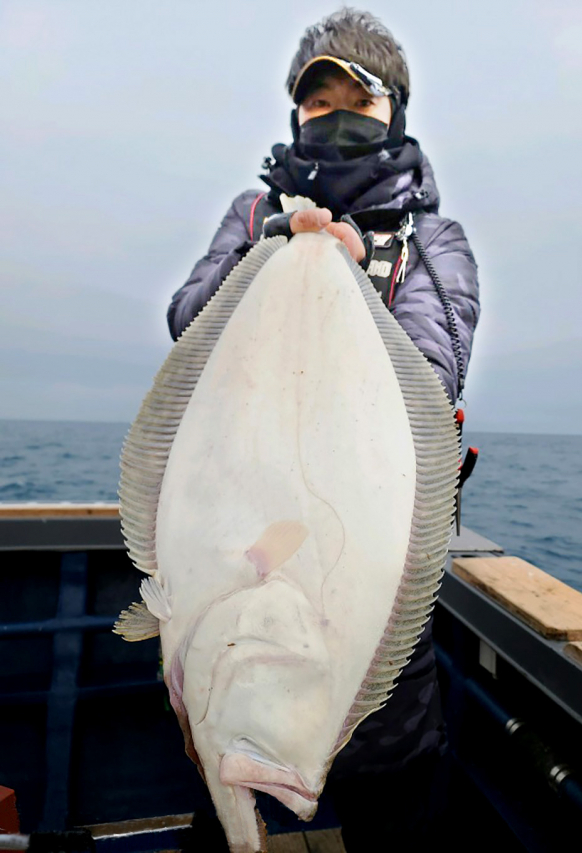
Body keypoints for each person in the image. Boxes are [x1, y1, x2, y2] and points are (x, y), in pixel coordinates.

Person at [170, 8, 480, 851]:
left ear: (395, 112)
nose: (335, 114)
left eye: (359, 99)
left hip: (370, 582)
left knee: (397, 794)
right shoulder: (250, 216)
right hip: (244, 561)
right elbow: (185, 322)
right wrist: (270, 260)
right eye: (318, 101)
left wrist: (342, 282)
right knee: (226, 787)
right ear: (295, 114)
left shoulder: (431, 239)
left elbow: (436, 361)